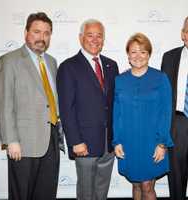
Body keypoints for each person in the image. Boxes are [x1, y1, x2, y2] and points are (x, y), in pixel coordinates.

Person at [0, 12, 61, 200]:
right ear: (26, 33)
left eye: (47, 33)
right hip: (23, 144)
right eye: (37, 32)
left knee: (46, 193)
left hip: (51, 140)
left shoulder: (52, 62)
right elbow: (4, 102)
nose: (42, 37)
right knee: (21, 194)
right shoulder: (9, 61)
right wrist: (11, 140)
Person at [56, 19, 119, 200]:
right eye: (90, 35)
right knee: (86, 193)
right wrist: (75, 141)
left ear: (103, 39)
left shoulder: (111, 65)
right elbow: (66, 108)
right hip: (84, 143)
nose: (95, 39)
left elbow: (113, 103)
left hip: (108, 143)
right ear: (81, 38)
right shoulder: (68, 67)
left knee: (102, 191)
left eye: (99, 36)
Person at [113, 33, 173, 200]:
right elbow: (116, 113)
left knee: (147, 185)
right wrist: (116, 141)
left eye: (143, 52)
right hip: (128, 141)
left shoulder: (160, 78)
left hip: (152, 141)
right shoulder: (120, 80)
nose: (138, 56)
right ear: (128, 55)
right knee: (136, 183)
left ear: (149, 54)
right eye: (133, 52)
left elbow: (166, 112)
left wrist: (162, 143)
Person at [161, 16, 188, 200]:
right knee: (176, 178)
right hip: (177, 124)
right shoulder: (169, 57)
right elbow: (162, 96)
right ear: (183, 33)